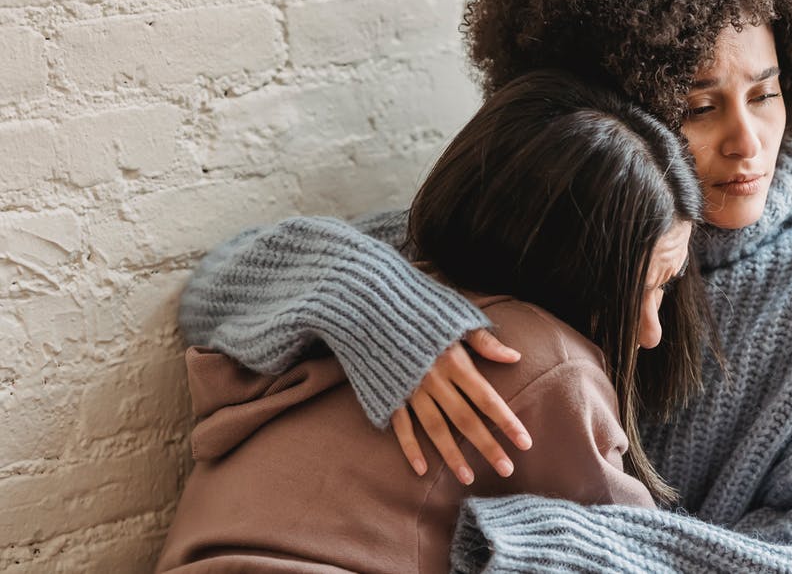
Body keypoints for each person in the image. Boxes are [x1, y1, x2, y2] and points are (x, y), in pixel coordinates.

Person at [178, 0, 792, 571]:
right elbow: (218, 291)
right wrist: (382, 312)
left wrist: (566, 546)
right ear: (614, 105)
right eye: (699, 106)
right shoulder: (561, 214)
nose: (748, 142)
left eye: (766, 95)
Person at [156, 71, 712, 572]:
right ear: (562, 265)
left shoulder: (415, 258)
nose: (650, 331)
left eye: (663, 288)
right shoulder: (548, 363)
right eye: (640, 291)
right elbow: (637, 556)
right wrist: (381, 308)